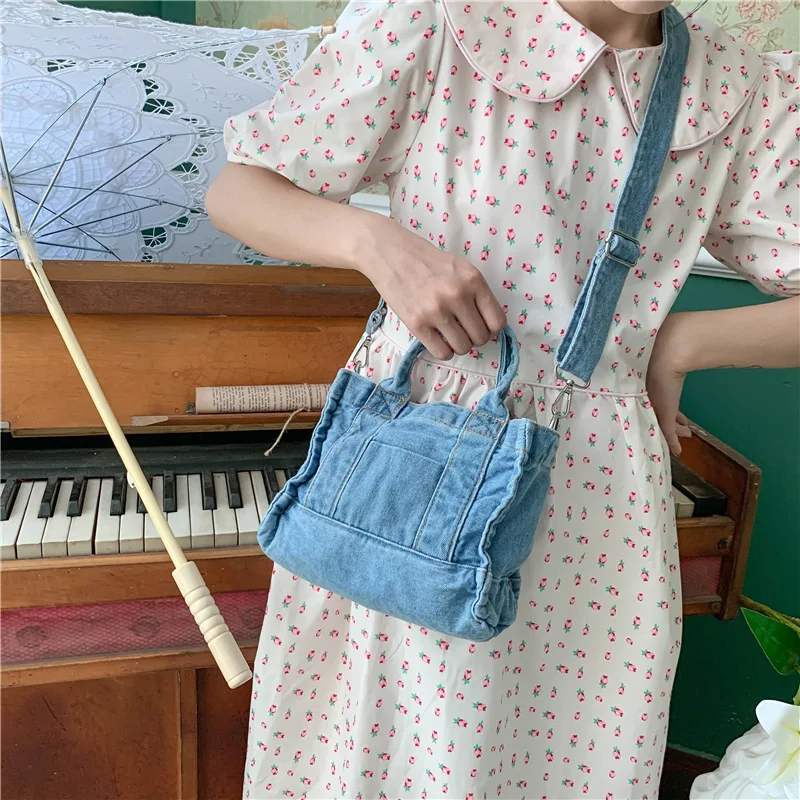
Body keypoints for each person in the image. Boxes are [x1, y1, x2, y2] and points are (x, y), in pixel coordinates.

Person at [207, 0, 799, 795]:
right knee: (379, 756)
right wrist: (376, 244)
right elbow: (240, 191)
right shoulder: (441, 22)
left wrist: (677, 344)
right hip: (419, 461)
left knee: (562, 762)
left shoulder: (739, 88)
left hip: (598, 500)